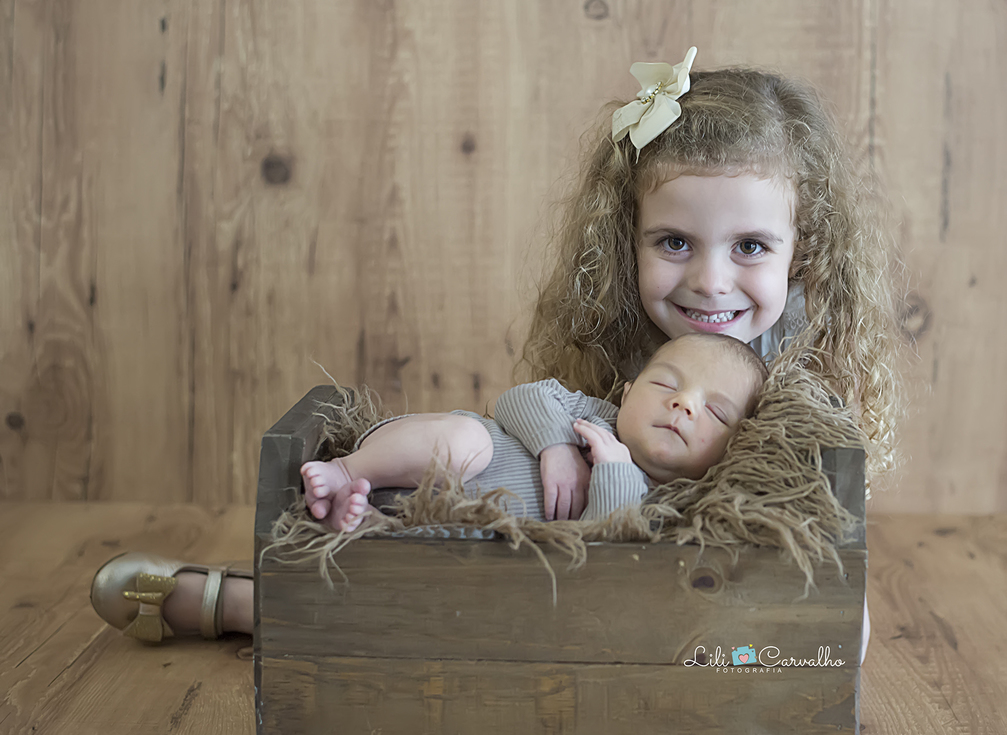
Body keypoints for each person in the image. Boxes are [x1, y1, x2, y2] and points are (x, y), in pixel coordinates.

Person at [91, 47, 900, 664]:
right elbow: (544, 441)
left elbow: (817, 559)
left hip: (669, 614)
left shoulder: (792, 384)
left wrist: (819, 614)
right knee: (447, 596)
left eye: (751, 244)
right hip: (544, 566)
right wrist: (555, 442)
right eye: (675, 241)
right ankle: (240, 600)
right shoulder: (623, 338)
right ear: (628, 242)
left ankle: (239, 602)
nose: (710, 280)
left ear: (804, 251)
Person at [299, 333, 767, 533]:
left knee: (438, 560)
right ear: (627, 393)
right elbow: (521, 397)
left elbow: (599, 546)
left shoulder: (671, 508)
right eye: (666, 383)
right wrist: (557, 444)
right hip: (422, 460)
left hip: (453, 529)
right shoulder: (595, 415)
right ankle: (348, 471)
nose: (684, 403)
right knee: (467, 443)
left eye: (716, 413)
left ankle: (361, 520)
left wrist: (616, 473)